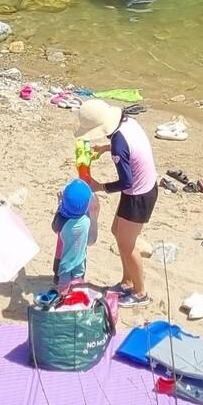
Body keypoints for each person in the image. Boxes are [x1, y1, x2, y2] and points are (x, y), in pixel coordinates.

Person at [77, 99, 158, 308]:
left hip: (139, 195)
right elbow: (126, 147)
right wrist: (105, 147)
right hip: (143, 187)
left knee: (127, 244)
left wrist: (99, 186)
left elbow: (126, 182)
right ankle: (127, 281)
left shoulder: (119, 145)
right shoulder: (127, 121)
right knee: (117, 231)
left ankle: (140, 293)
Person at [52, 177, 96, 291]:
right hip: (80, 261)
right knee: (78, 285)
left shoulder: (62, 221)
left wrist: (59, 205)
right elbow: (92, 240)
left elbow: (54, 227)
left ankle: (62, 296)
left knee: (63, 284)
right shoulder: (86, 220)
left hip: (65, 262)